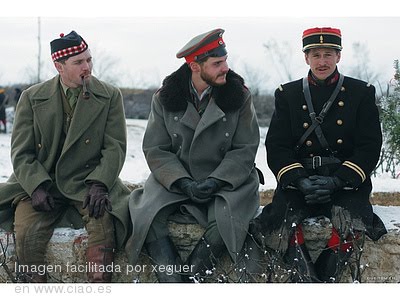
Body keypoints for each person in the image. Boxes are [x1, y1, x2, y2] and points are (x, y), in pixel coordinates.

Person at [125, 28, 262, 283]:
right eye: (217, 63)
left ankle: (190, 278)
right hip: (177, 178)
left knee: (227, 222)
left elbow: (245, 148)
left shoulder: (239, 96)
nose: (225, 68)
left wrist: (216, 180)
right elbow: (156, 149)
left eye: (225, 61)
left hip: (227, 180)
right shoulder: (165, 98)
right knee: (146, 215)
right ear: (195, 66)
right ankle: (173, 281)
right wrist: (182, 181)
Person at [252, 27, 387, 283]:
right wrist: (299, 179)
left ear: (338, 56)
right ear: (306, 58)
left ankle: (322, 281)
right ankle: (308, 282)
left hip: (344, 180)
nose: (322, 61)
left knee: (352, 224)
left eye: (328, 54)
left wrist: (339, 180)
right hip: (300, 179)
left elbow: (369, 146)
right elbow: (277, 145)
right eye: (315, 55)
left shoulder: (361, 93)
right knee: (281, 225)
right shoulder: (287, 94)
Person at [0, 31, 131, 283]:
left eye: (89, 60)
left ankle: (99, 285)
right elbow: (21, 151)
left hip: (87, 180)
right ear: (59, 66)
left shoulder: (110, 95)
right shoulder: (31, 97)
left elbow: (115, 147)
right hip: (42, 180)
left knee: (103, 224)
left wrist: (100, 184)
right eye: (79, 62)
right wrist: (36, 186)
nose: (87, 67)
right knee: (27, 232)